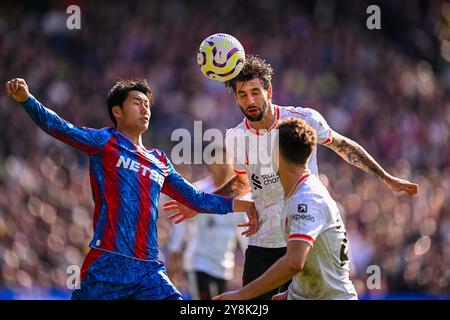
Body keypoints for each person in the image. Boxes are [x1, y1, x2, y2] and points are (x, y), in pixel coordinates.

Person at [164, 55, 419, 300]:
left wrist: (385, 177)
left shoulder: (302, 119)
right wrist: (202, 204)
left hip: (302, 236)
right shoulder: (235, 138)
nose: (250, 100)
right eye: (242, 95)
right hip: (262, 241)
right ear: (236, 99)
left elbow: (343, 146)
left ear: (269, 91)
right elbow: (243, 182)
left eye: (255, 92)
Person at [4, 78, 257, 300]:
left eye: (147, 103)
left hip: (148, 269)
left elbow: (195, 198)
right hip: (108, 263)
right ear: (117, 111)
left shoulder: (159, 160)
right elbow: (61, 128)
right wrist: (27, 100)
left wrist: (242, 204)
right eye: (137, 102)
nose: (145, 108)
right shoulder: (105, 142)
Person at [214, 118, 358, 300]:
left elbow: (294, 263)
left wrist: (242, 295)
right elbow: (313, 259)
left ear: (275, 154)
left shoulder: (305, 200)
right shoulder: (297, 192)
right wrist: (292, 292)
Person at [166, 160, 249, 300]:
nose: (223, 166)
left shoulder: (240, 199)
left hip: (224, 266)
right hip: (198, 263)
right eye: (219, 162)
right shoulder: (198, 191)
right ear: (210, 165)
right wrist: (175, 252)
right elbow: (180, 223)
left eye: (226, 161)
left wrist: (250, 258)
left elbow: (245, 232)